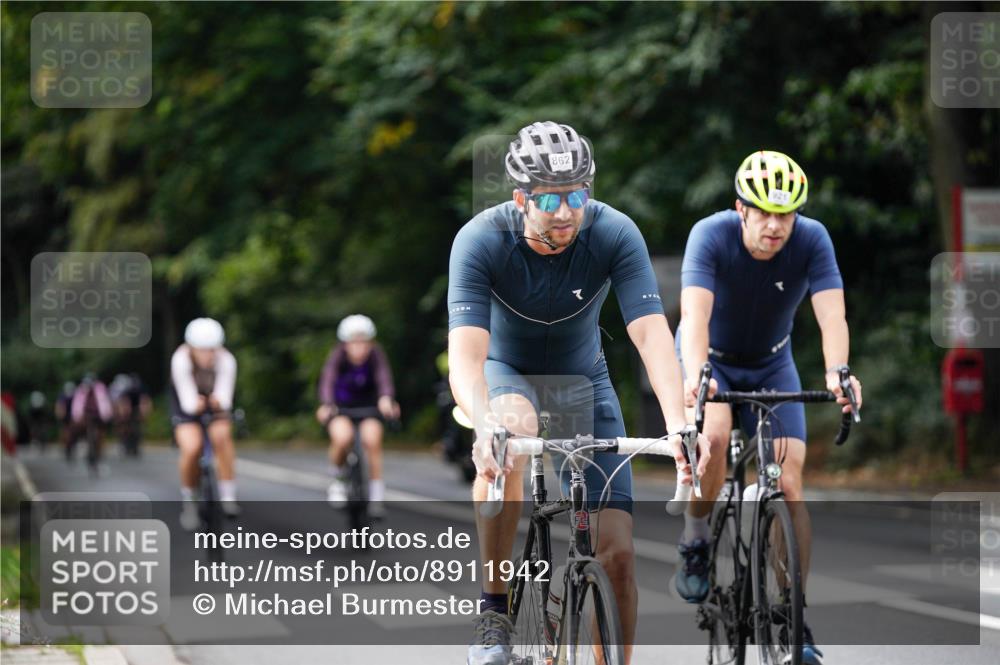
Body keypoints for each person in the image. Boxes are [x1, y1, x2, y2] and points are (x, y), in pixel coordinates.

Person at [448, 121, 710, 665]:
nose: (566, 211)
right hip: (508, 373)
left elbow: (650, 332)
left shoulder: (614, 232)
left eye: (577, 195)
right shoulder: (479, 240)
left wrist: (680, 422)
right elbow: (468, 357)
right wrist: (483, 423)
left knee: (617, 557)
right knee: (511, 430)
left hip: (583, 382)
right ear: (521, 198)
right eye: (549, 197)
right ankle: (494, 611)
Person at [674, 150, 864, 665]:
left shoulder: (812, 240)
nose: (777, 225)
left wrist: (838, 373)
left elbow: (833, 317)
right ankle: (695, 537)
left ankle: (791, 614)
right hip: (712, 361)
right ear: (741, 208)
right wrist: (695, 379)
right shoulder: (709, 236)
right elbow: (693, 318)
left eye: (787, 213)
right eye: (765, 212)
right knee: (712, 444)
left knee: (790, 482)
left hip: (773, 364)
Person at [316, 314, 400, 519]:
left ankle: (377, 496)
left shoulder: (376, 356)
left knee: (372, 440)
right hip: (341, 408)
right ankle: (338, 478)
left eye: (364, 342)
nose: (359, 347)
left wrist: (386, 399)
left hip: (369, 407)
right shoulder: (337, 357)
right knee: (342, 437)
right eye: (354, 342)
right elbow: (327, 380)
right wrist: (327, 405)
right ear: (345, 343)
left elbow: (384, 379)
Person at [171, 318, 239, 530]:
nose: (207, 355)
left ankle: (228, 494)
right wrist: (198, 403)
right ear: (191, 348)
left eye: (211, 350)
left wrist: (217, 401)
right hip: (186, 402)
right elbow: (188, 403)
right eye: (201, 350)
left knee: (222, 436)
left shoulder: (227, 359)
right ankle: (189, 501)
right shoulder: (180, 359)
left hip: (214, 402)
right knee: (191, 448)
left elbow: (225, 396)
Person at [70, 373, 114, 474]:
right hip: (87, 417)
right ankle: (88, 451)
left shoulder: (100, 390)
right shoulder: (81, 391)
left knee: (99, 437)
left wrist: (107, 414)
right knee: (85, 433)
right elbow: (77, 404)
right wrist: (77, 416)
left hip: (99, 416)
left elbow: (105, 402)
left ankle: (99, 454)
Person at [110, 372, 152, 457]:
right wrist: (124, 414)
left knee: (137, 428)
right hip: (126, 408)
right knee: (124, 427)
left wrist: (144, 412)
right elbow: (124, 402)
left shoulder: (141, 389)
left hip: (136, 408)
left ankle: (135, 446)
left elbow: (144, 401)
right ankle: (124, 443)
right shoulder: (126, 390)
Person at [54, 381, 77, 461]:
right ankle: (64, 444)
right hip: (65, 416)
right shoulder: (62, 396)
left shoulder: (76, 395)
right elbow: (59, 406)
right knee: (65, 431)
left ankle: (73, 444)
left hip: (73, 415)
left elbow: (78, 406)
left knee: (74, 431)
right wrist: (60, 414)